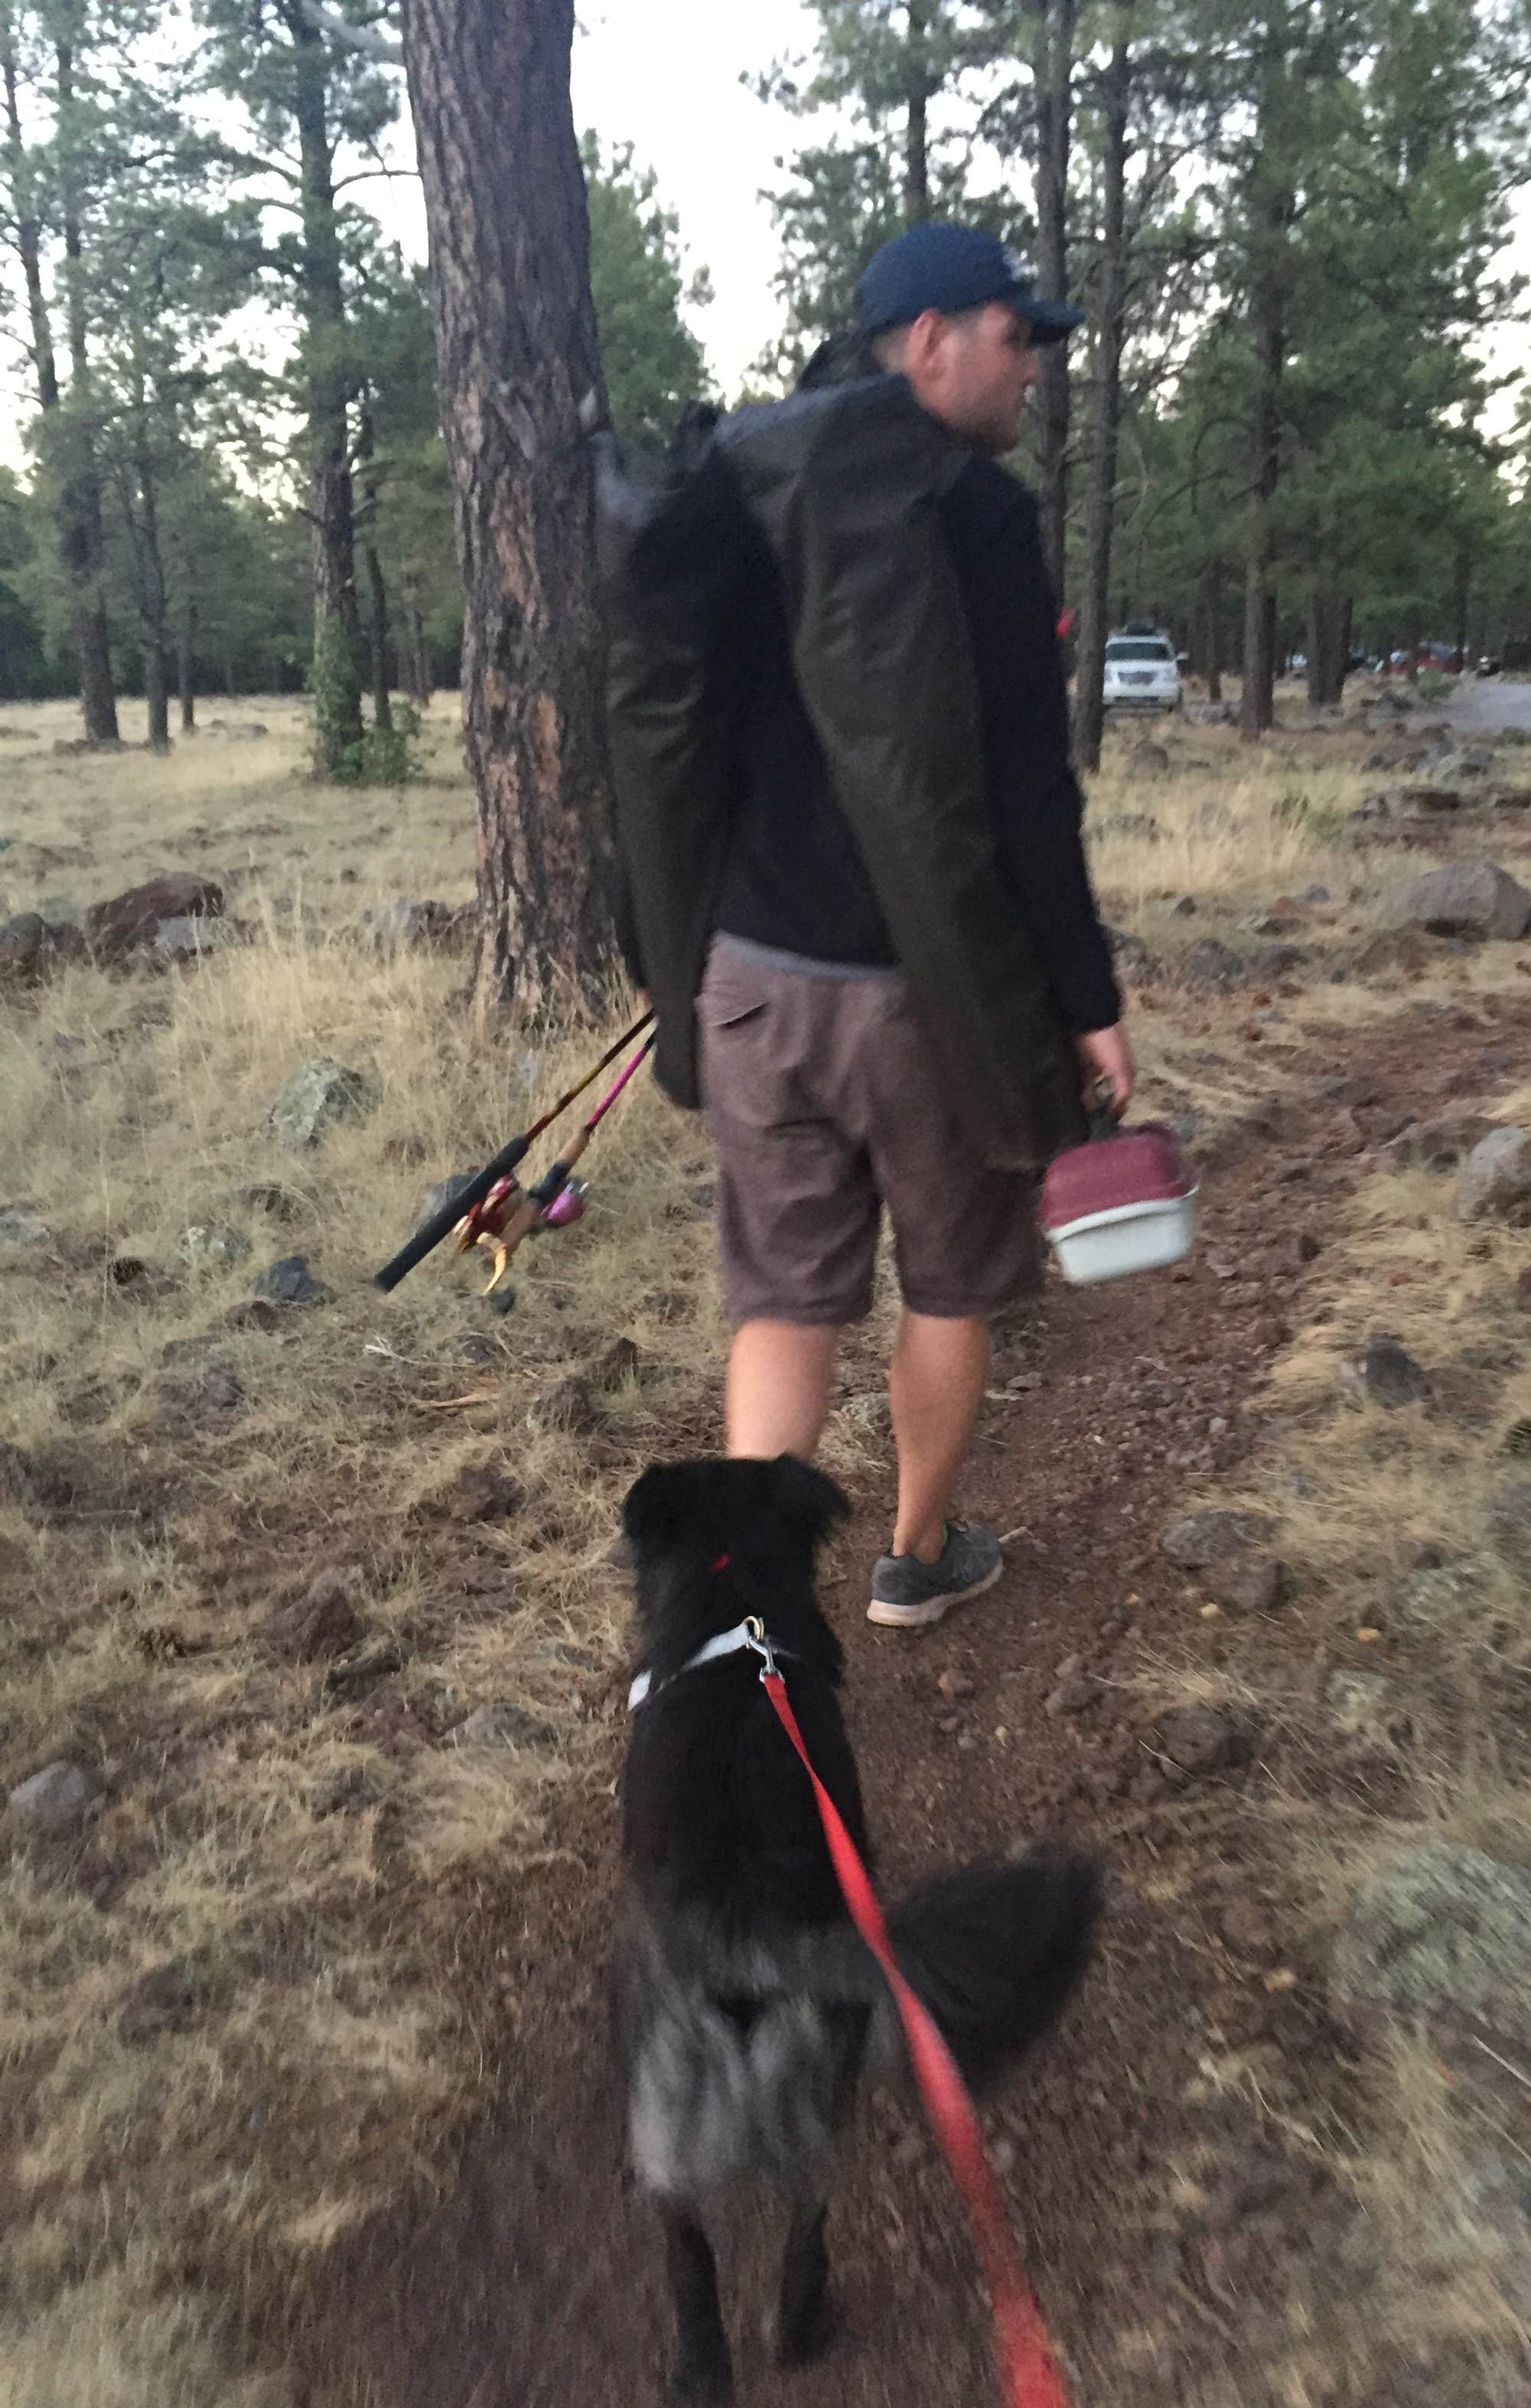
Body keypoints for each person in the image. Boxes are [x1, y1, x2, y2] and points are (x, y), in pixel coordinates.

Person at [604, 222, 1132, 1629]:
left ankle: (745, 1617)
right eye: (1019, 337)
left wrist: (681, 966)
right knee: (951, 1282)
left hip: (750, 989)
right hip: (923, 996)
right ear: (928, 342)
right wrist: (1084, 995)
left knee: (781, 1304)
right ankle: (918, 1552)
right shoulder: (970, 512)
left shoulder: (740, 490)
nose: (1035, 370)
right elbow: (1025, 785)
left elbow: (673, 743)